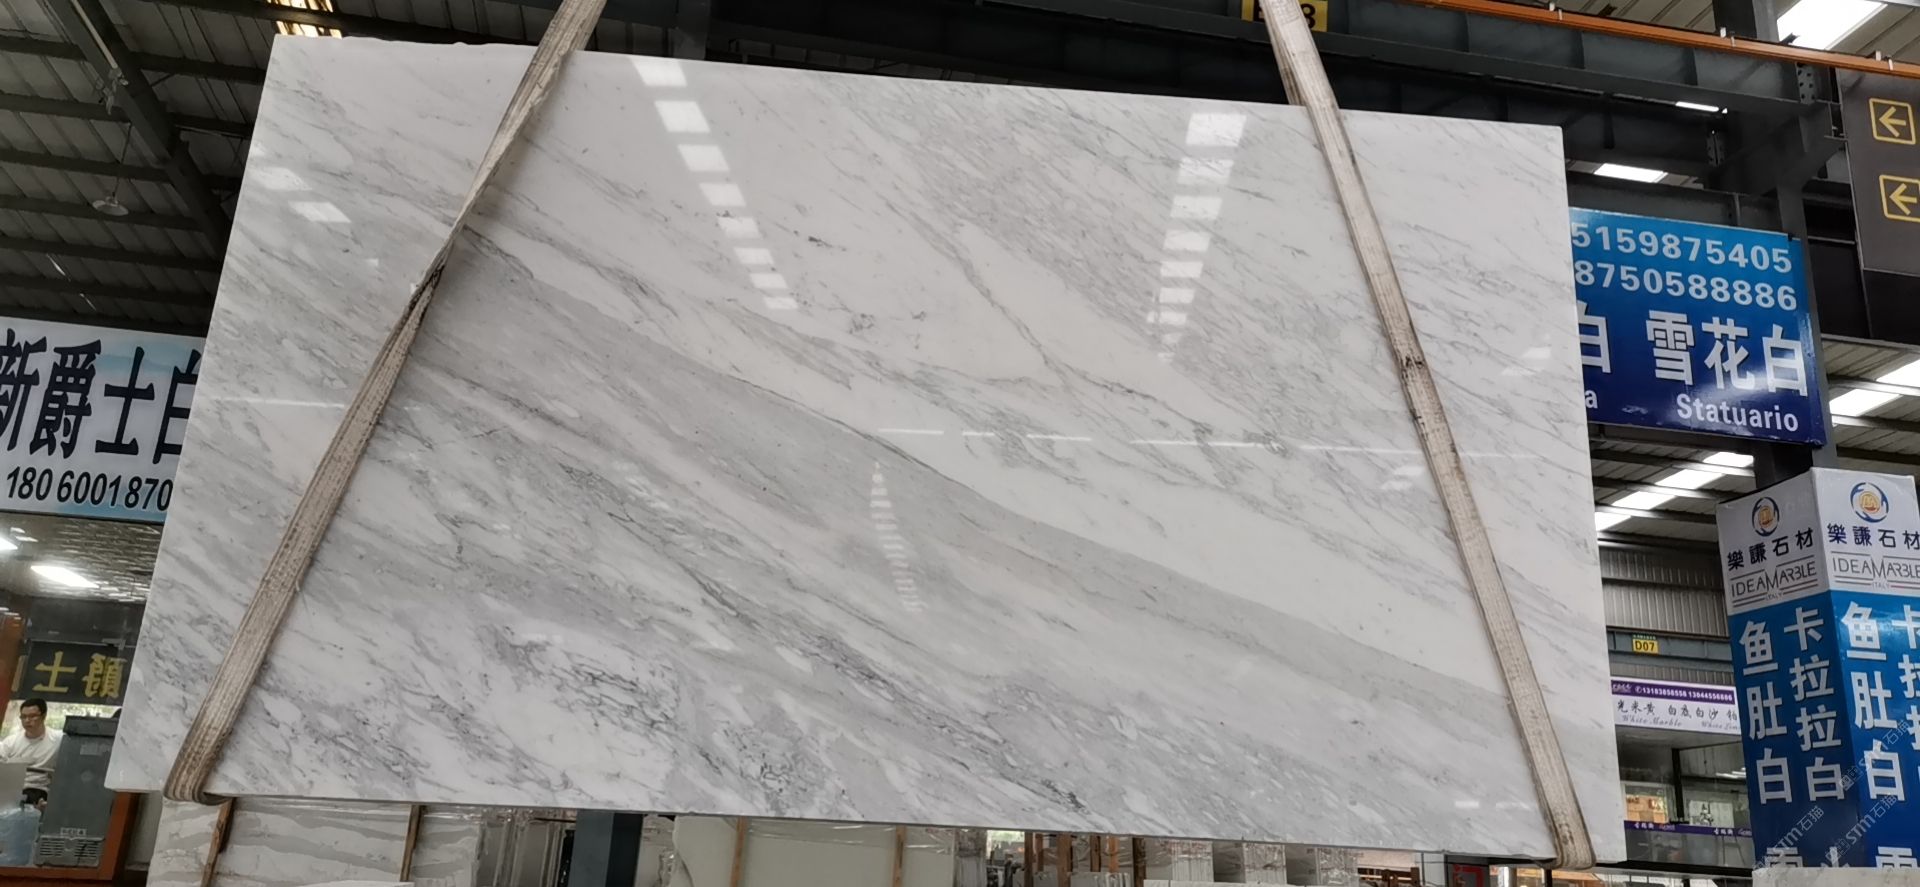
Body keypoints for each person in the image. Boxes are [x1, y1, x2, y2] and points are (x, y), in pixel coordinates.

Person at [0, 700, 62, 800]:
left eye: (32, 716)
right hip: (12, 789)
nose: (27, 720)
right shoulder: (11, 742)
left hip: (40, 789)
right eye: (23, 717)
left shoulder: (57, 739)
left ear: (44, 716)